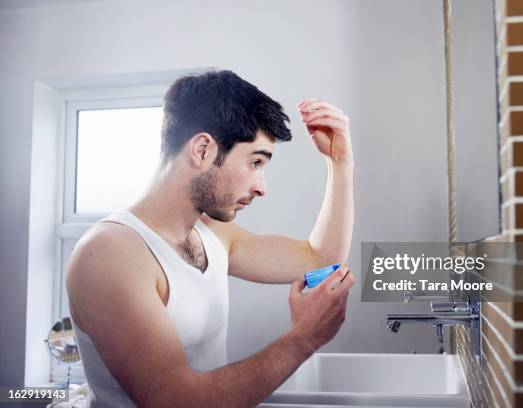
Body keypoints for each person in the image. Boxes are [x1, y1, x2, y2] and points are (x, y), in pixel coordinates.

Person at [66, 69, 355, 407]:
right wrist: (303, 339)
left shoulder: (212, 234)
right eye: (256, 162)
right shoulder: (109, 254)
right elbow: (175, 401)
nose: (262, 187)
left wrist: (340, 164)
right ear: (202, 149)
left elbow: (320, 259)